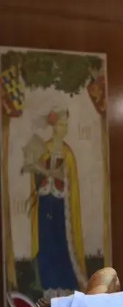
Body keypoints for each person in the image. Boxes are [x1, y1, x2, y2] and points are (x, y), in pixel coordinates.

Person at [21, 107, 87, 295]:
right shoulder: (44, 148)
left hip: (61, 206)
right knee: (47, 243)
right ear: (53, 126)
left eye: (65, 125)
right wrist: (43, 172)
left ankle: (65, 285)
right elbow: (34, 178)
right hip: (45, 204)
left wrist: (59, 176)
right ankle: (48, 287)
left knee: (62, 243)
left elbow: (72, 184)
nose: (63, 128)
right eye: (60, 124)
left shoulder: (68, 153)